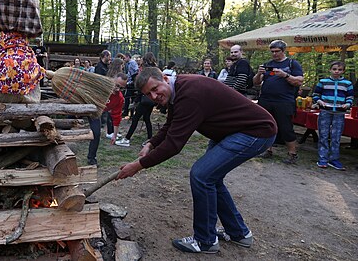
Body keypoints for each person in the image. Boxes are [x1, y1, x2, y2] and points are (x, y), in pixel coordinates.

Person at [117, 67, 276, 254]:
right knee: (210, 179)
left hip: (255, 131)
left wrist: (138, 166)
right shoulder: (179, 90)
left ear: (165, 79)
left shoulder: (190, 93)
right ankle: (239, 234)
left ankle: (205, 240)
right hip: (231, 132)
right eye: (148, 94)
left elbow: (174, 145)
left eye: (155, 88)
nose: (153, 96)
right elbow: (171, 124)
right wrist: (151, 143)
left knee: (201, 176)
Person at [253, 40, 303, 164]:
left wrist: (285, 75)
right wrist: (259, 73)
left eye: (277, 51)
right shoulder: (267, 64)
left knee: (286, 128)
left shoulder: (292, 64)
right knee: (266, 125)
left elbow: (299, 81)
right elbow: (256, 82)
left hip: (284, 101)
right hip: (266, 100)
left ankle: (292, 154)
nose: (274, 54)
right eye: (272, 51)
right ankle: (267, 150)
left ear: (283, 51)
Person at [312, 61, 353, 170]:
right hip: (325, 111)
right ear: (330, 70)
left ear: (343, 71)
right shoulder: (323, 82)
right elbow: (315, 95)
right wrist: (319, 101)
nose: (336, 71)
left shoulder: (347, 83)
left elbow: (350, 97)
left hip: (339, 112)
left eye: (339, 70)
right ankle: (323, 158)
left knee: (336, 136)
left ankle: (334, 159)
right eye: (334, 69)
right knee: (324, 135)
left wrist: (348, 104)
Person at [117, 52, 158, 147]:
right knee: (147, 118)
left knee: (135, 118)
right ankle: (150, 139)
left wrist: (136, 100)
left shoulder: (145, 71)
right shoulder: (156, 70)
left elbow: (142, 86)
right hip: (152, 99)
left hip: (145, 98)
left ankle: (127, 139)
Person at [87, 73, 127, 165]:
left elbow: (116, 116)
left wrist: (114, 135)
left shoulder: (119, 98)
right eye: (117, 85)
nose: (118, 89)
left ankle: (92, 158)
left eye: (121, 88)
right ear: (112, 80)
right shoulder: (101, 86)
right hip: (84, 104)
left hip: (95, 112)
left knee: (96, 133)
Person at [123, 53, 139, 117]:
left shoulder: (132, 62)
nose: (124, 59)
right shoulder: (128, 64)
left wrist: (133, 79)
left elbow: (136, 70)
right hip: (129, 82)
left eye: (124, 58)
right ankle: (127, 112)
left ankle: (131, 113)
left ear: (128, 57)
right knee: (128, 98)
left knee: (131, 98)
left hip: (132, 83)